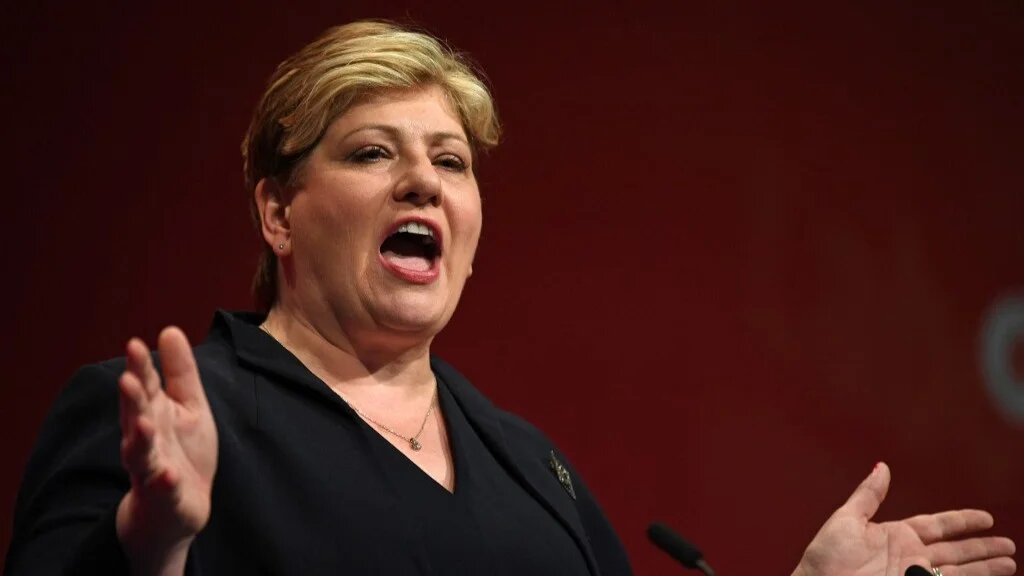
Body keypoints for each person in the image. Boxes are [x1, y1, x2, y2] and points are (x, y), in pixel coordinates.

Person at [5, 20, 1016, 576]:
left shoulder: (532, 470)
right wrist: (150, 547)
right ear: (277, 214)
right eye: (371, 154)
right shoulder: (165, 423)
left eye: (450, 162)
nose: (424, 184)